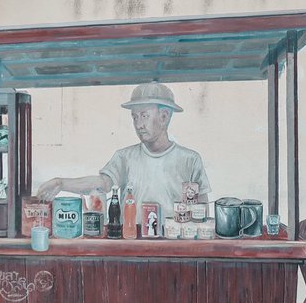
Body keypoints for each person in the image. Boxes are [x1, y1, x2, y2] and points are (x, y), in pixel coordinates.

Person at [37, 82, 210, 218]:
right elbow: (102, 184)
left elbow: (201, 209)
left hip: (174, 242)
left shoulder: (190, 159)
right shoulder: (125, 157)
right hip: (130, 241)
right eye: (134, 117)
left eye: (144, 116)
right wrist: (61, 183)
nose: (139, 124)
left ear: (164, 117)